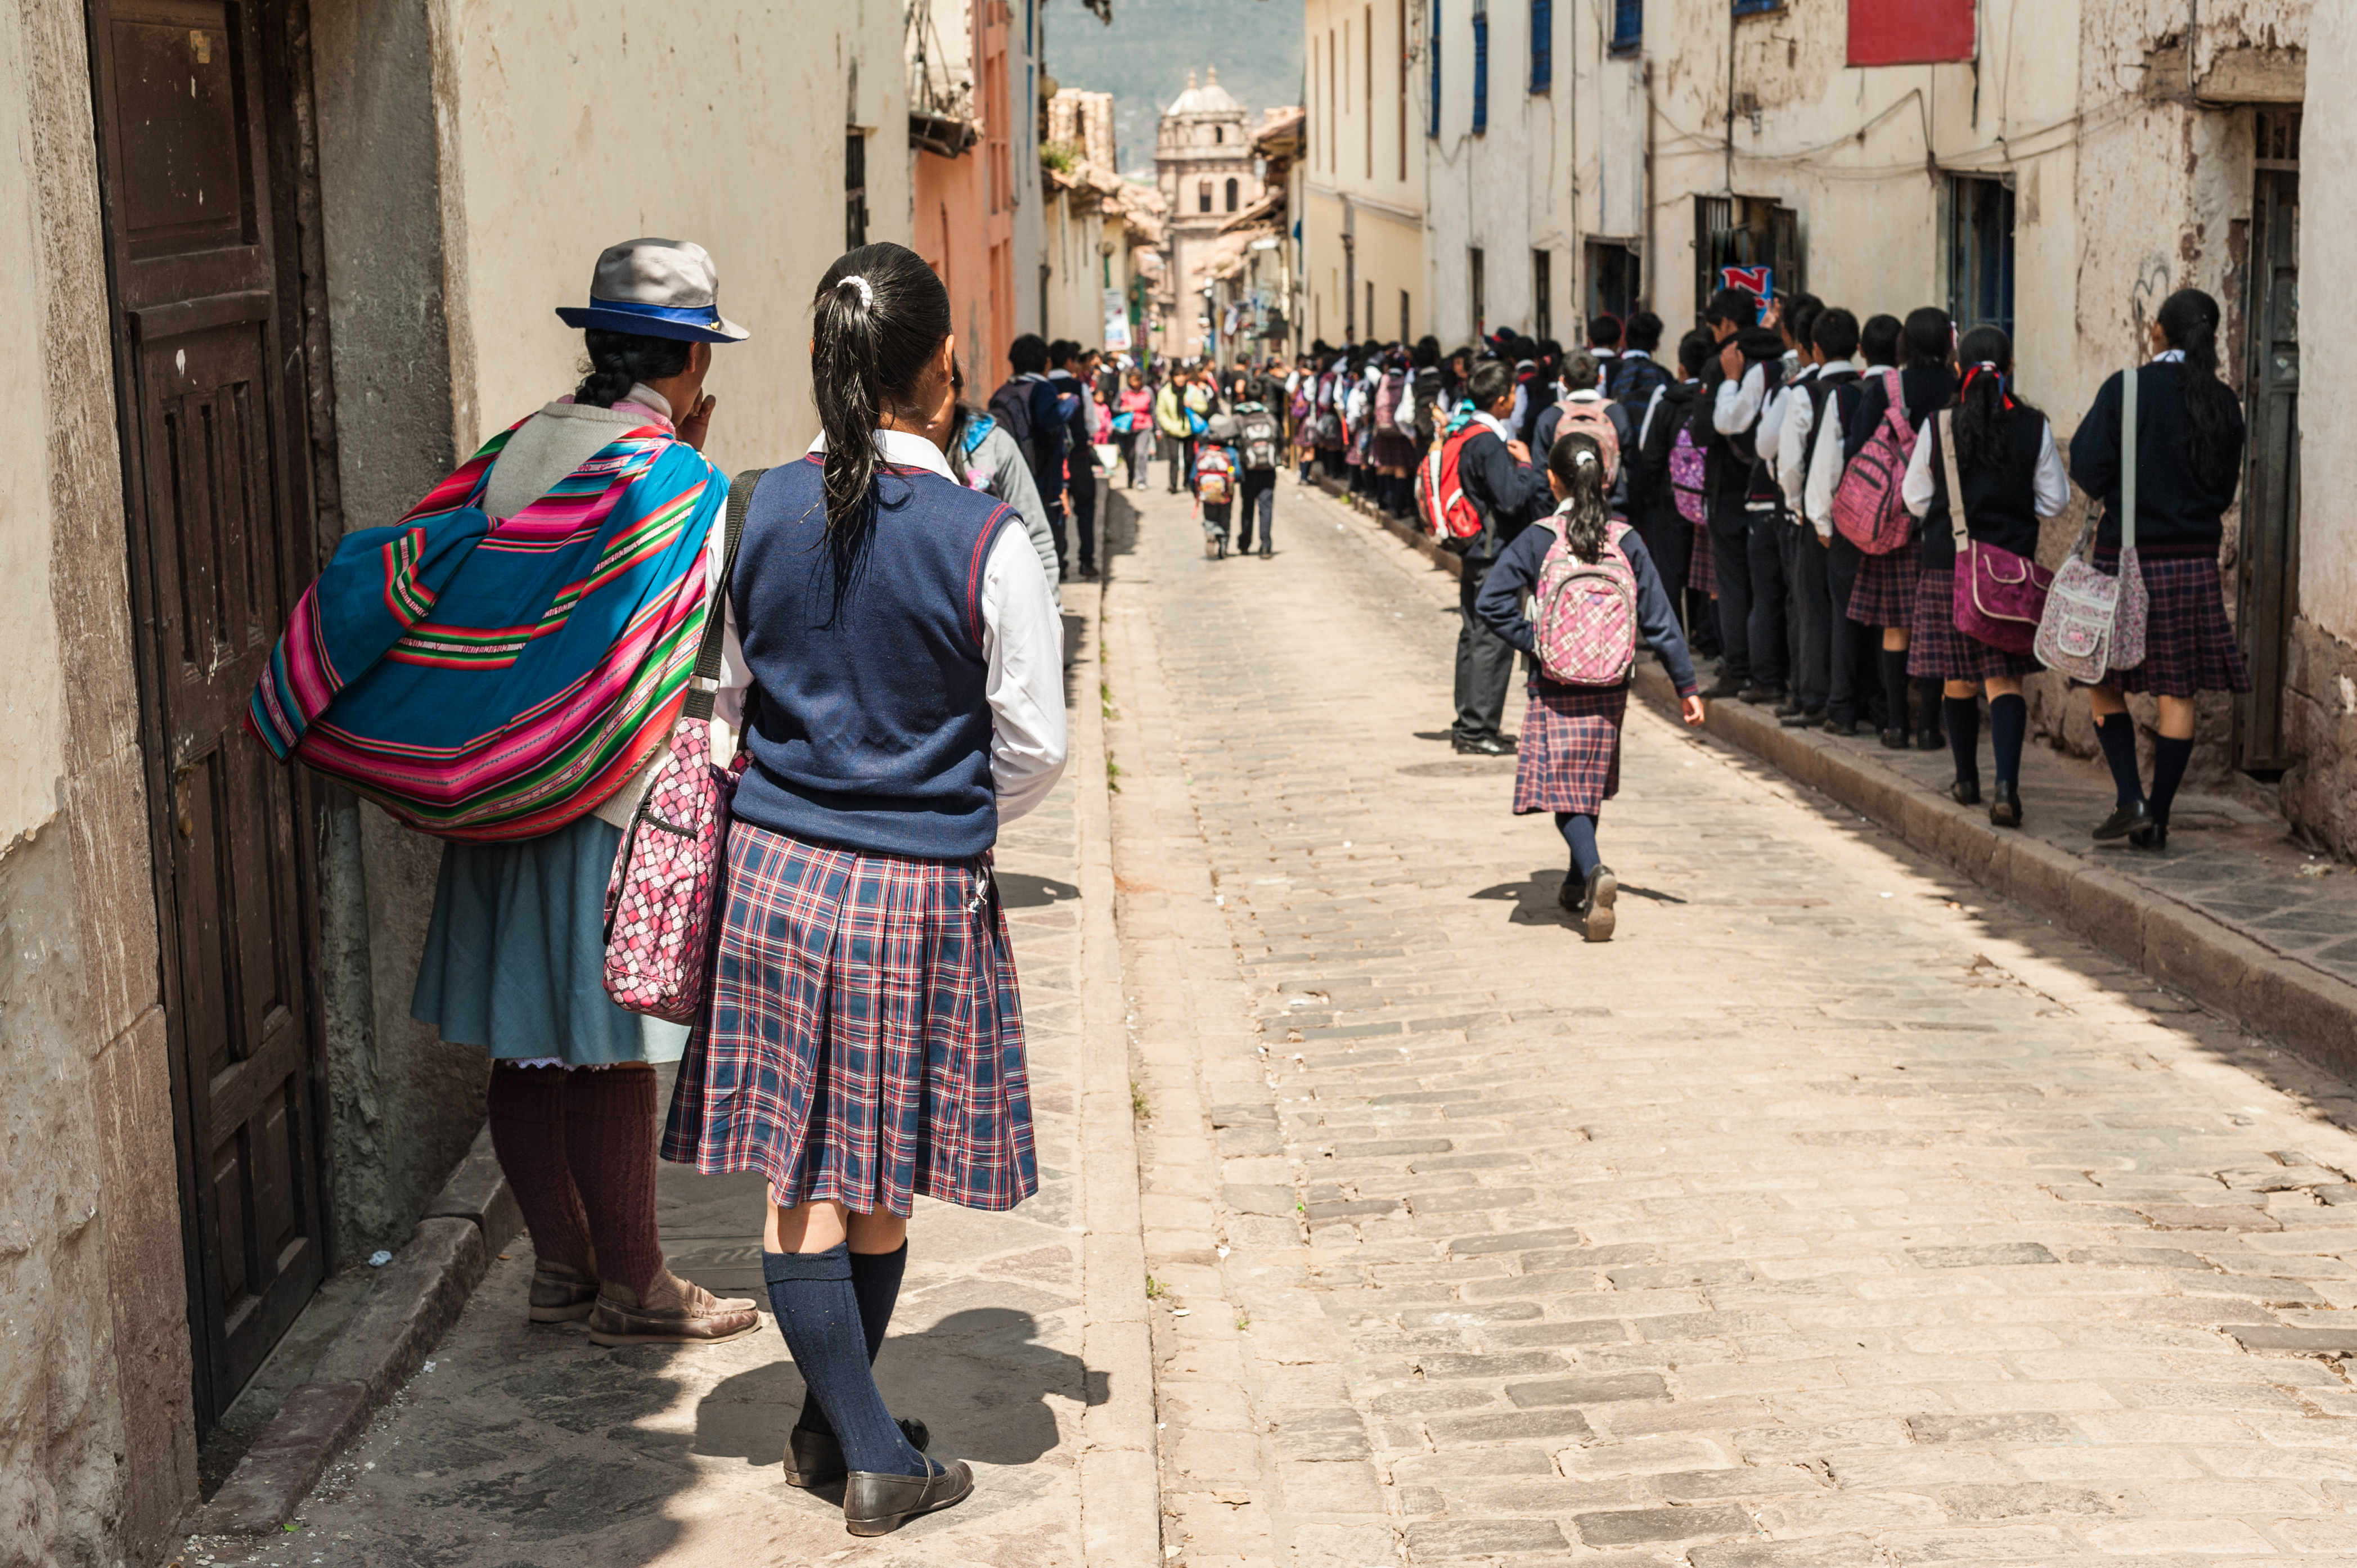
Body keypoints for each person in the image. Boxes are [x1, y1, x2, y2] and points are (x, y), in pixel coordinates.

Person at [663, 242, 1065, 1536]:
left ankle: (833, 1426)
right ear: (941, 365)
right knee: (872, 1173)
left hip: (777, 879)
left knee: (804, 1175)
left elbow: (729, 707)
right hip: (914, 890)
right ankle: (877, 1456)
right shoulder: (982, 535)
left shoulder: (754, 509)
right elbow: (1034, 744)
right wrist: (946, 805)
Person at [390, 239, 762, 1346]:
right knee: (607, 1047)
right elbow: (689, 644)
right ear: (690, 359)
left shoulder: (516, 451)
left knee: (524, 1042)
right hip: (602, 796)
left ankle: (562, 1264)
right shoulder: (671, 478)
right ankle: (637, 1281)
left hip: (498, 780)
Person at [1476, 430, 1706, 939]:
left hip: (1554, 679)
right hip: (1610, 682)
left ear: (1551, 478)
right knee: (1588, 786)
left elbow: (1489, 603)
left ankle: (1595, 870)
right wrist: (1686, 686)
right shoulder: (1626, 539)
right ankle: (1577, 882)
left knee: (1566, 792)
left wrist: (1535, 640)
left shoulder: (1539, 538)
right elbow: (1661, 620)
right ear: (1605, 478)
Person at [2067, 287, 2249, 850]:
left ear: (2157, 331)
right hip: (2191, 563)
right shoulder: (2222, 403)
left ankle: (2131, 799)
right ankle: (2159, 816)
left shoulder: (2125, 389)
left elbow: (2087, 465)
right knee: (2177, 693)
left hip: (2126, 559)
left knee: (2099, 678)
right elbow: (2222, 489)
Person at [1900, 325, 2071, 826]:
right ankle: (2007, 787)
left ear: (1957, 369)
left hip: (1949, 566)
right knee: (2004, 682)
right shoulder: (2033, 424)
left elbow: (1914, 497)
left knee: (1957, 677)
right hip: (2008, 572)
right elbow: (2055, 502)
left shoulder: (1938, 425)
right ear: (2010, 367)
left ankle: (1966, 778)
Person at [1844, 307, 1957, 751]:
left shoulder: (1890, 388)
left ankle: (1895, 724)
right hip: (1947, 524)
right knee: (1938, 631)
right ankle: (1930, 726)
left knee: (1896, 627)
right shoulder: (1958, 389)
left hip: (1894, 524)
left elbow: (1856, 448)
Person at [1447, 360, 1551, 756]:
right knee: (1491, 640)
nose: (1515, 398)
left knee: (1473, 633)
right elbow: (1510, 499)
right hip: (1494, 552)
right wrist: (1526, 465)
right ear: (1502, 398)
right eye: (1511, 392)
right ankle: (1479, 729)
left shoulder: (1466, 430)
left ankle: (1468, 722)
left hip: (1475, 547)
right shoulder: (1489, 441)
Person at [1807, 312, 1902, 735]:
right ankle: (1884, 708)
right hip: (1899, 522)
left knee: (1847, 614)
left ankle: (1843, 709)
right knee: (1891, 617)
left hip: (1850, 522)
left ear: (1862, 350)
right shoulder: (1908, 395)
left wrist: (1823, 524)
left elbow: (1826, 467)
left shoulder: (1846, 396)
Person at [1776, 307, 1862, 730]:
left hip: (1816, 517)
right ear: (1858, 346)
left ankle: (1815, 696)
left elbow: (1790, 464)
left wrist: (1800, 511)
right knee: (1854, 610)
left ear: (1813, 349)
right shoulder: (1868, 389)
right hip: (1864, 518)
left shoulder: (1803, 394)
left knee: (1814, 609)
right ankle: (1854, 696)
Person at [946, 359, 1063, 603]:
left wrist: (1051, 606)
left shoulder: (993, 442)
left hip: (994, 605)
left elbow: (1035, 530)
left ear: (956, 392)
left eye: (940, 388)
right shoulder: (893, 451)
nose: (928, 407)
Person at [1234, 393, 1283, 556]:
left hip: (1248, 471)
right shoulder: (1270, 418)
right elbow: (1280, 440)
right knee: (1266, 506)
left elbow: (1224, 434)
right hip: (1268, 470)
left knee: (1247, 507)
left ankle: (1245, 544)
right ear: (1263, 397)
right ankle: (1266, 546)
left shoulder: (1240, 418)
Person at [1194, 413, 1241, 558]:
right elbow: (1238, 473)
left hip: (1207, 493)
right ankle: (1223, 544)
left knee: (1210, 515)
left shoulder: (1203, 451)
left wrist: (1196, 491)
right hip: (1226, 493)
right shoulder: (1230, 452)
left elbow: (1193, 475)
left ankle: (1210, 533)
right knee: (1225, 518)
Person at [1157, 364, 1193, 492]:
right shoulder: (1165, 393)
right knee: (1174, 458)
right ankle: (1173, 484)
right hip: (1172, 431)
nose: (1180, 379)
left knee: (1189, 458)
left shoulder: (1191, 390)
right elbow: (1161, 412)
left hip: (1189, 429)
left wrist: (1192, 405)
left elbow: (1203, 406)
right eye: (1177, 376)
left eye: (1183, 375)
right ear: (1172, 377)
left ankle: (1187, 482)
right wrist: (1169, 427)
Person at [1117, 368, 1155, 488]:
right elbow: (1114, 407)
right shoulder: (1124, 392)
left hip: (1144, 426)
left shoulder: (1148, 391)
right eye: (1132, 380)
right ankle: (1131, 477)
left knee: (1141, 453)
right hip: (1128, 428)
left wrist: (1157, 429)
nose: (1135, 383)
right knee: (1130, 455)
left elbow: (1153, 411)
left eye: (1137, 380)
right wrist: (1124, 409)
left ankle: (1141, 480)